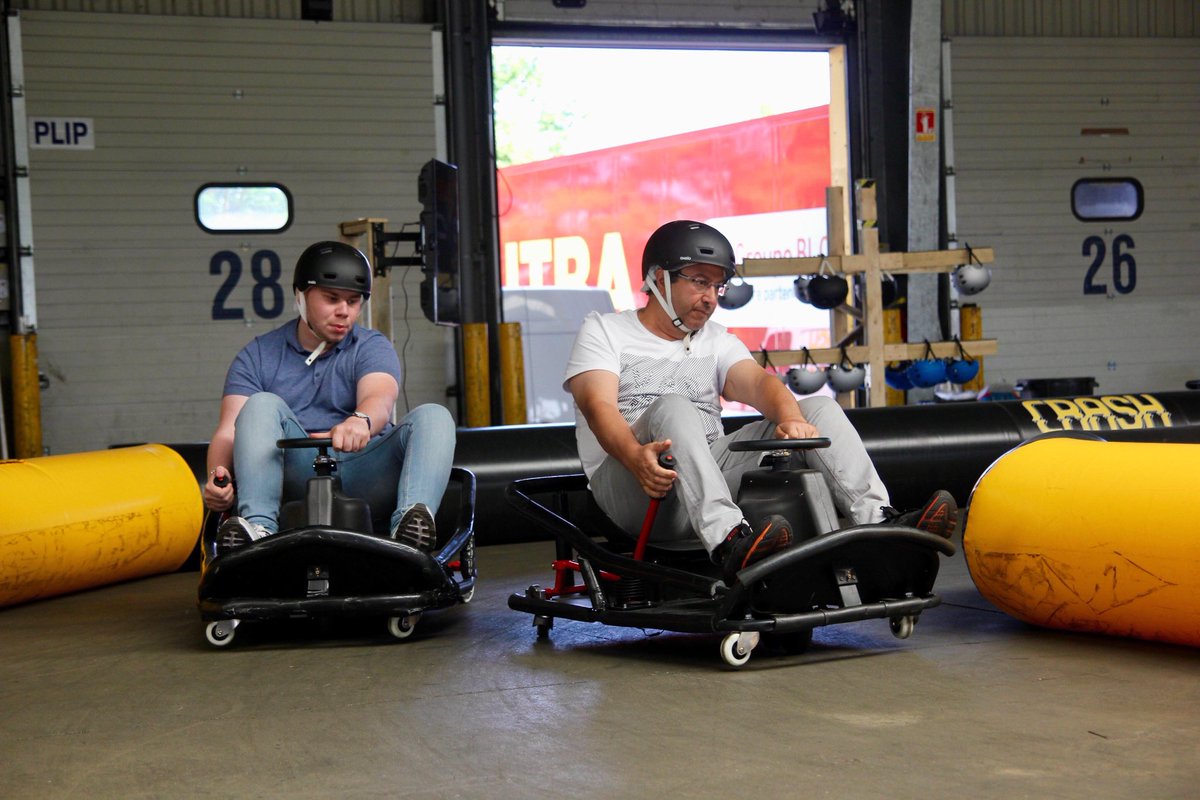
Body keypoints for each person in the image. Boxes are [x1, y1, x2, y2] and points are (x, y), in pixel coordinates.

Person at [564, 220, 956, 579]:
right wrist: (635, 457)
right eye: (699, 282)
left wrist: (789, 418)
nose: (710, 298)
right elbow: (598, 409)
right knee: (673, 406)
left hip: (703, 474)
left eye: (717, 287)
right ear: (658, 279)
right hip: (634, 483)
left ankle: (882, 524)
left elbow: (759, 383)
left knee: (818, 407)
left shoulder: (715, 339)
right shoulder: (605, 330)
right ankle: (730, 540)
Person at [203, 240, 455, 553]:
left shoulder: (371, 346)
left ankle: (408, 529)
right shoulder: (257, 355)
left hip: (365, 468)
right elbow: (229, 430)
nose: (344, 312)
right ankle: (258, 531)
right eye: (332, 298)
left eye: (353, 301)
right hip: (294, 474)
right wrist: (218, 477)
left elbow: (379, 396)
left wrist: (360, 421)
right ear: (301, 296)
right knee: (261, 404)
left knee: (434, 415)